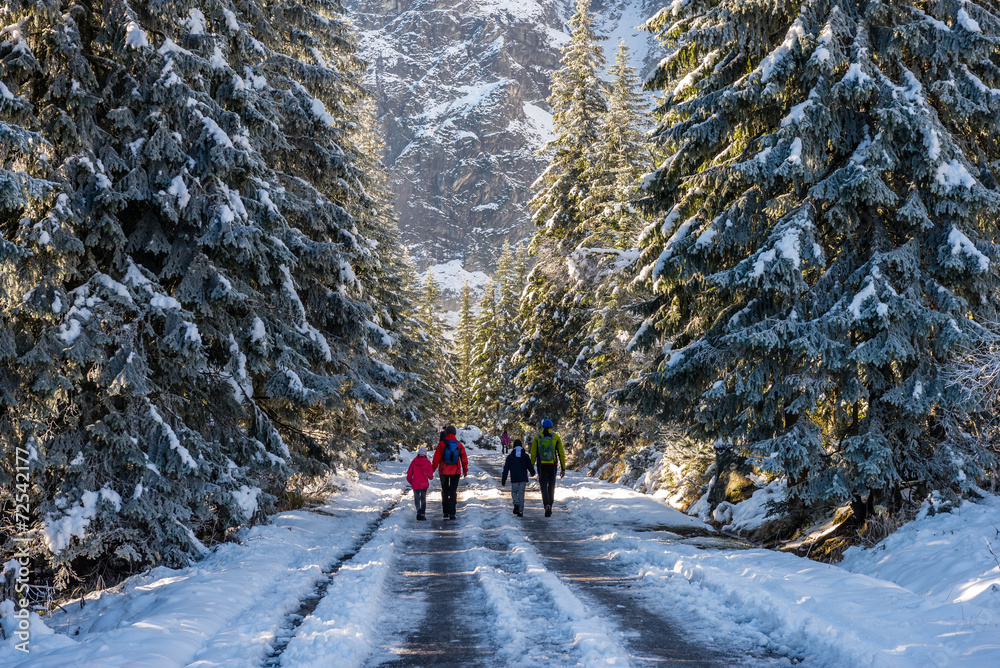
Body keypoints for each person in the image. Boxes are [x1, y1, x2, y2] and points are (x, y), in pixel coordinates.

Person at [530, 418, 565, 517]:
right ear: (551, 427)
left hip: (542, 465)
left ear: (542, 427)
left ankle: (546, 505)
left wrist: (531, 468)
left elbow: (533, 454)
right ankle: (550, 505)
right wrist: (563, 468)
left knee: (543, 485)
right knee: (551, 485)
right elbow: (561, 453)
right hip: (553, 465)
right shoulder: (556, 437)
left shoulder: (537, 437)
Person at [432, 425, 469, 519]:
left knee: (445, 491)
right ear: (455, 433)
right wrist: (465, 470)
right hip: (455, 472)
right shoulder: (459, 445)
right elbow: (464, 458)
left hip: (443, 471)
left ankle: (445, 512)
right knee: (453, 491)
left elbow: (436, 458)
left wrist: (432, 469)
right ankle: (452, 513)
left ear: (446, 433)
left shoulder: (442, 444)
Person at [501, 439, 535, 516]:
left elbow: (506, 469)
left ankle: (516, 503)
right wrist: (532, 472)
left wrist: (504, 479)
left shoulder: (510, 457)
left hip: (514, 478)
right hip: (523, 478)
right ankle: (520, 511)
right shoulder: (525, 456)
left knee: (514, 492)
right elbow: (529, 466)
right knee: (521, 494)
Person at [405, 446, 434, 520]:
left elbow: (409, 473)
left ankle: (418, 509)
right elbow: (430, 475)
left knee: (417, 498)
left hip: (416, 483)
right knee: (423, 499)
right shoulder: (427, 462)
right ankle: (423, 514)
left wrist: (411, 481)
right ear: (425, 454)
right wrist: (430, 477)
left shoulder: (414, 461)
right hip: (424, 484)